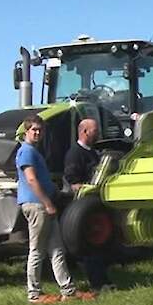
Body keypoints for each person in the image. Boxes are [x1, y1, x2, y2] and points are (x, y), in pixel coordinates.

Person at [16, 114, 93, 304]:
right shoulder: (26, 152)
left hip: (44, 204)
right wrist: (47, 203)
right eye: (34, 130)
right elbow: (31, 179)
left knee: (57, 249)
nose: (38, 133)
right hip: (37, 205)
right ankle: (34, 294)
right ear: (26, 131)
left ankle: (68, 290)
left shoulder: (34, 151)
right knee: (37, 251)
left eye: (40, 130)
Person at [63, 118, 117, 293]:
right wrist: (85, 188)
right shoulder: (75, 153)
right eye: (95, 131)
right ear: (85, 132)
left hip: (96, 206)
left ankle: (104, 280)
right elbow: (72, 181)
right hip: (83, 207)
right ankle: (97, 284)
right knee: (88, 248)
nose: (98, 134)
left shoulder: (93, 153)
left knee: (100, 246)